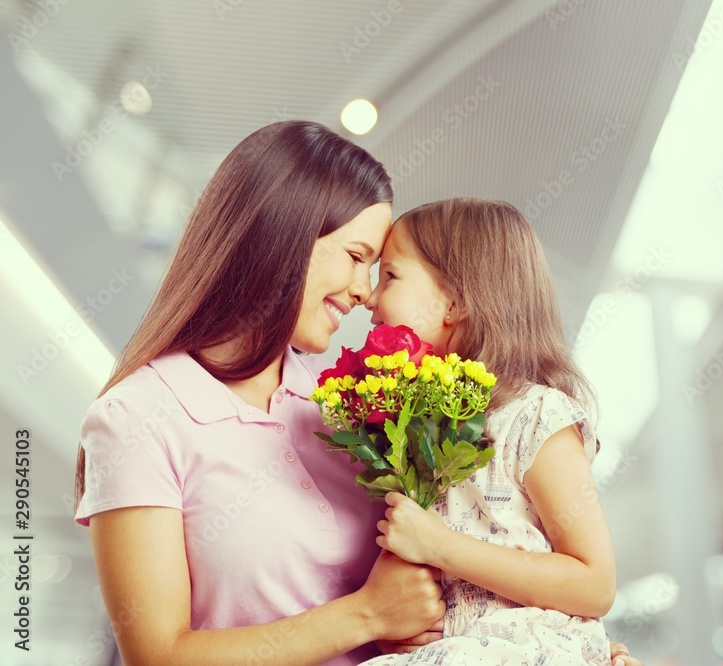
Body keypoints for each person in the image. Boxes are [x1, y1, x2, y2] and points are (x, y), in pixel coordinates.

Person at [73, 121, 641, 666]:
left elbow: (487, 572)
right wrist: (366, 616)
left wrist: (577, 649)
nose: (363, 293)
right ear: (282, 239)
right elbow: (157, 656)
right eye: (356, 257)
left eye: (379, 270)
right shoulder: (135, 418)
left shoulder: (347, 407)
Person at [360, 198, 617, 665]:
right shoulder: (417, 425)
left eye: (390, 276)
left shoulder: (538, 415)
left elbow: (594, 584)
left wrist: (440, 545)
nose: (371, 299)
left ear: (454, 303)